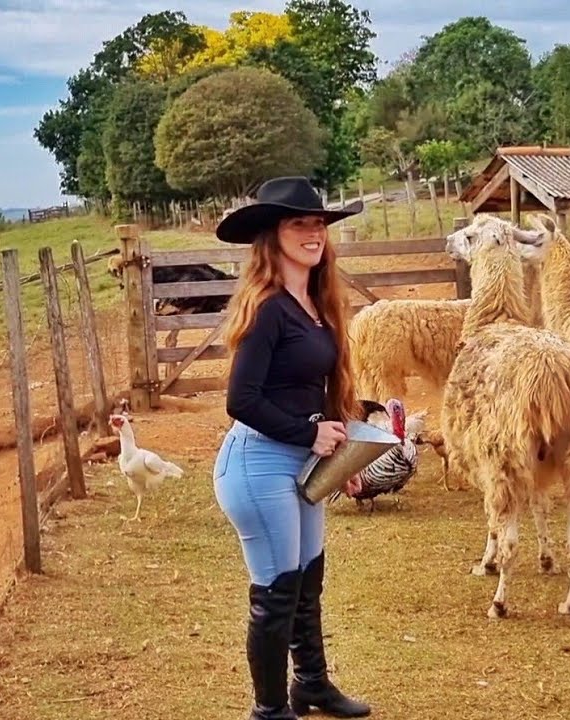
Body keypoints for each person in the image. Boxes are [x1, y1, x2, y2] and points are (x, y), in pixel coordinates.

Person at [212, 176, 371, 719]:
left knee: (307, 581)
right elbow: (241, 399)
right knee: (278, 591)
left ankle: (311, 686)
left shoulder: (317, 304)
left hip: (301, 463)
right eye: (298, 224)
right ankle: (269, 711)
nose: (313, 233)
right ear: (272, 236)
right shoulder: (267, 307)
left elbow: (320, 392)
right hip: (257, 464)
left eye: (318, 224)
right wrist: (310, 435)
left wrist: (339, 455)